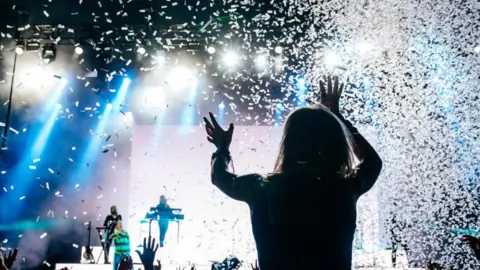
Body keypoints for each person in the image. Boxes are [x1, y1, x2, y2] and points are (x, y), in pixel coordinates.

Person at [203, 76, 383, 270]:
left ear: (288, 142)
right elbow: (373, 162)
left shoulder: (261, 188)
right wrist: (338, 118)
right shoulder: (343, 189)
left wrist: (222, 149)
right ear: (334, 142)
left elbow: (219, 177)